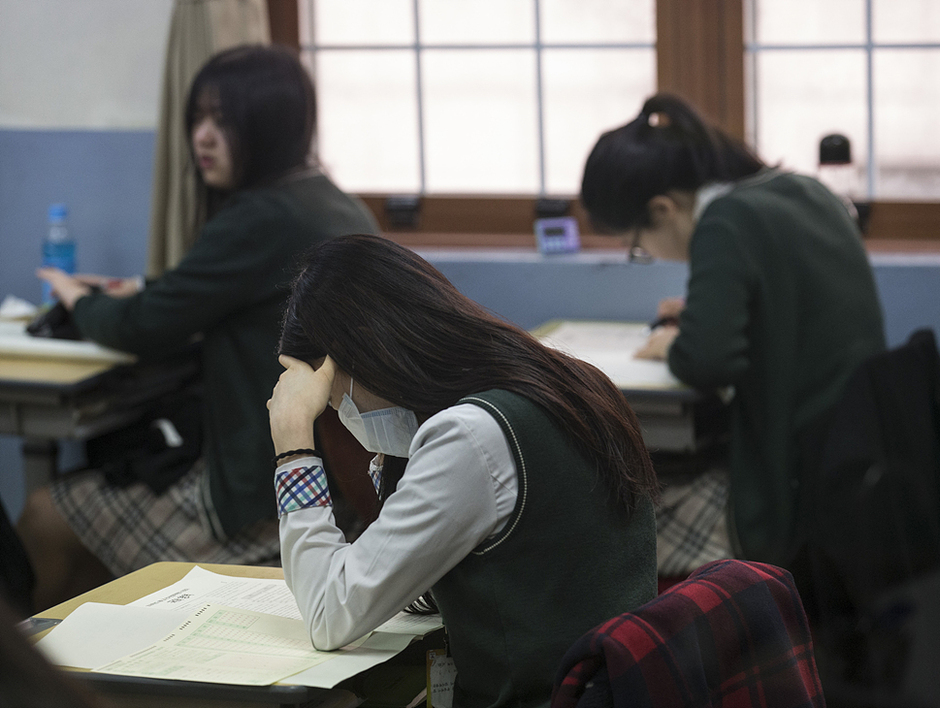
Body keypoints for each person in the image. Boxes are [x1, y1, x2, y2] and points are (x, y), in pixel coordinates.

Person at [19, 45, 379, 612]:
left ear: (269, 126)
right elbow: (208, 289)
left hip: (261, 491)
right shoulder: (331, 201)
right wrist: (142, 286)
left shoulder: (259, 216)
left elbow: (142, 326)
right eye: (198, 119)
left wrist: (73, 297)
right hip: (348, 479)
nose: (203, 138)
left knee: (45, 517)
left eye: (225, 121)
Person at [267, 234, 659, 707]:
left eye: (332, 398)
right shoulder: (565, 380)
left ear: (360, 357)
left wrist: (293, 446)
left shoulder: (469, 436)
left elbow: (329, 615)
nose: (341, 414)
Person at [580, 93, 886, 572]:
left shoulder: (725, 222)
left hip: (789, 478)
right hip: (855, 454)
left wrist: (673, 343)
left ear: (662, 209)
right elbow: (784, 305)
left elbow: (706, 361)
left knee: (605, 523)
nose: (647, 254)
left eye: (635, 245)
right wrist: (699, 313)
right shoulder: (801, 189)